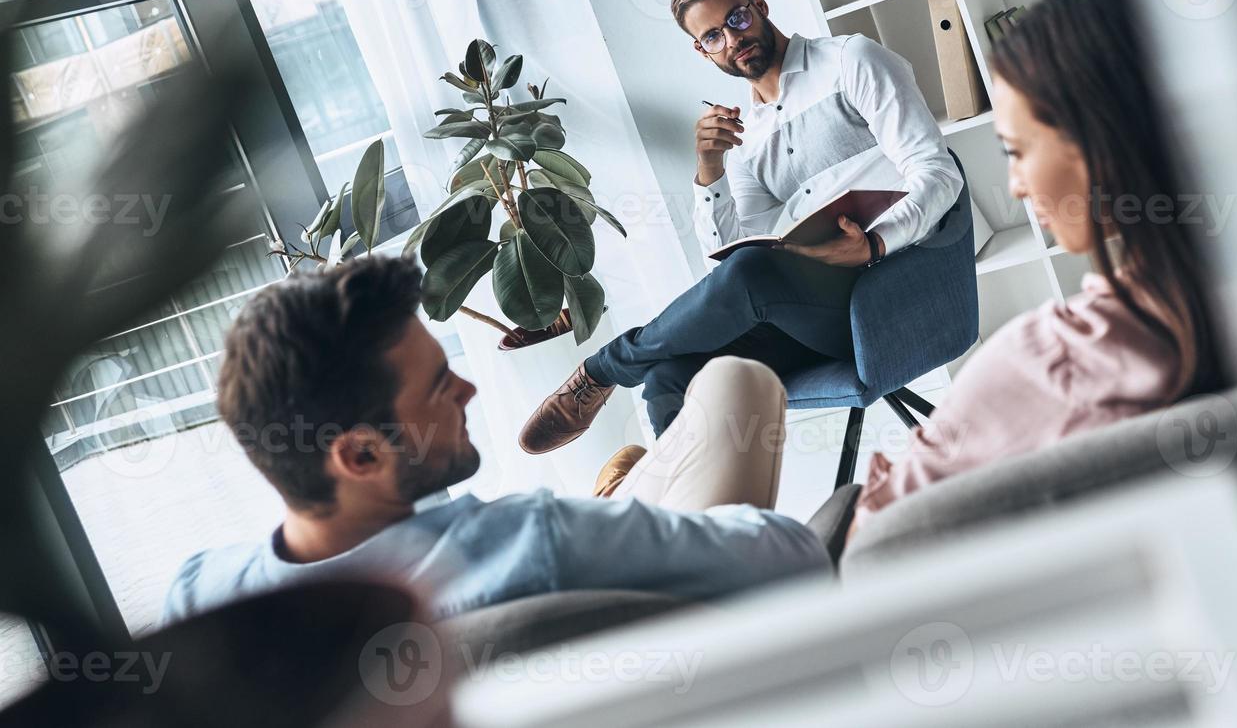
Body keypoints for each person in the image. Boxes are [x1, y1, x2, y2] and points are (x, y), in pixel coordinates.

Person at [161, 256, 830, 624]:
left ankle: (626, 496)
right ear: (360, 454)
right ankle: (629, 500)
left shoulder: (197, 599)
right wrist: (631, 534)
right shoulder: (530, 540)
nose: (469, 393)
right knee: (738, 382)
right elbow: (795, 556)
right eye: (438, 387)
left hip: (601, 554)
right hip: (686, 601)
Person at [519, 0, 963, 454]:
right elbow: (726, 262)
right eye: (712, 36)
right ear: (701, 50)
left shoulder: (850, 61)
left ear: (759, 6)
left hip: (893, 297)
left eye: (736, 20)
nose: (732, 40)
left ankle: (606, 367)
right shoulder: (745, 139)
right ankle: (702, 522)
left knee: (753, 272)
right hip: (806, 317)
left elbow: (940, 174)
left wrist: (875, 243)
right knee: (669, 377)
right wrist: (711, 168)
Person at [852, 0, 1231, 532]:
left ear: (1095, 139)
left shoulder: (1061, 360)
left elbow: (878, 529)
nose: (1016, 187)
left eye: (1018, 151)